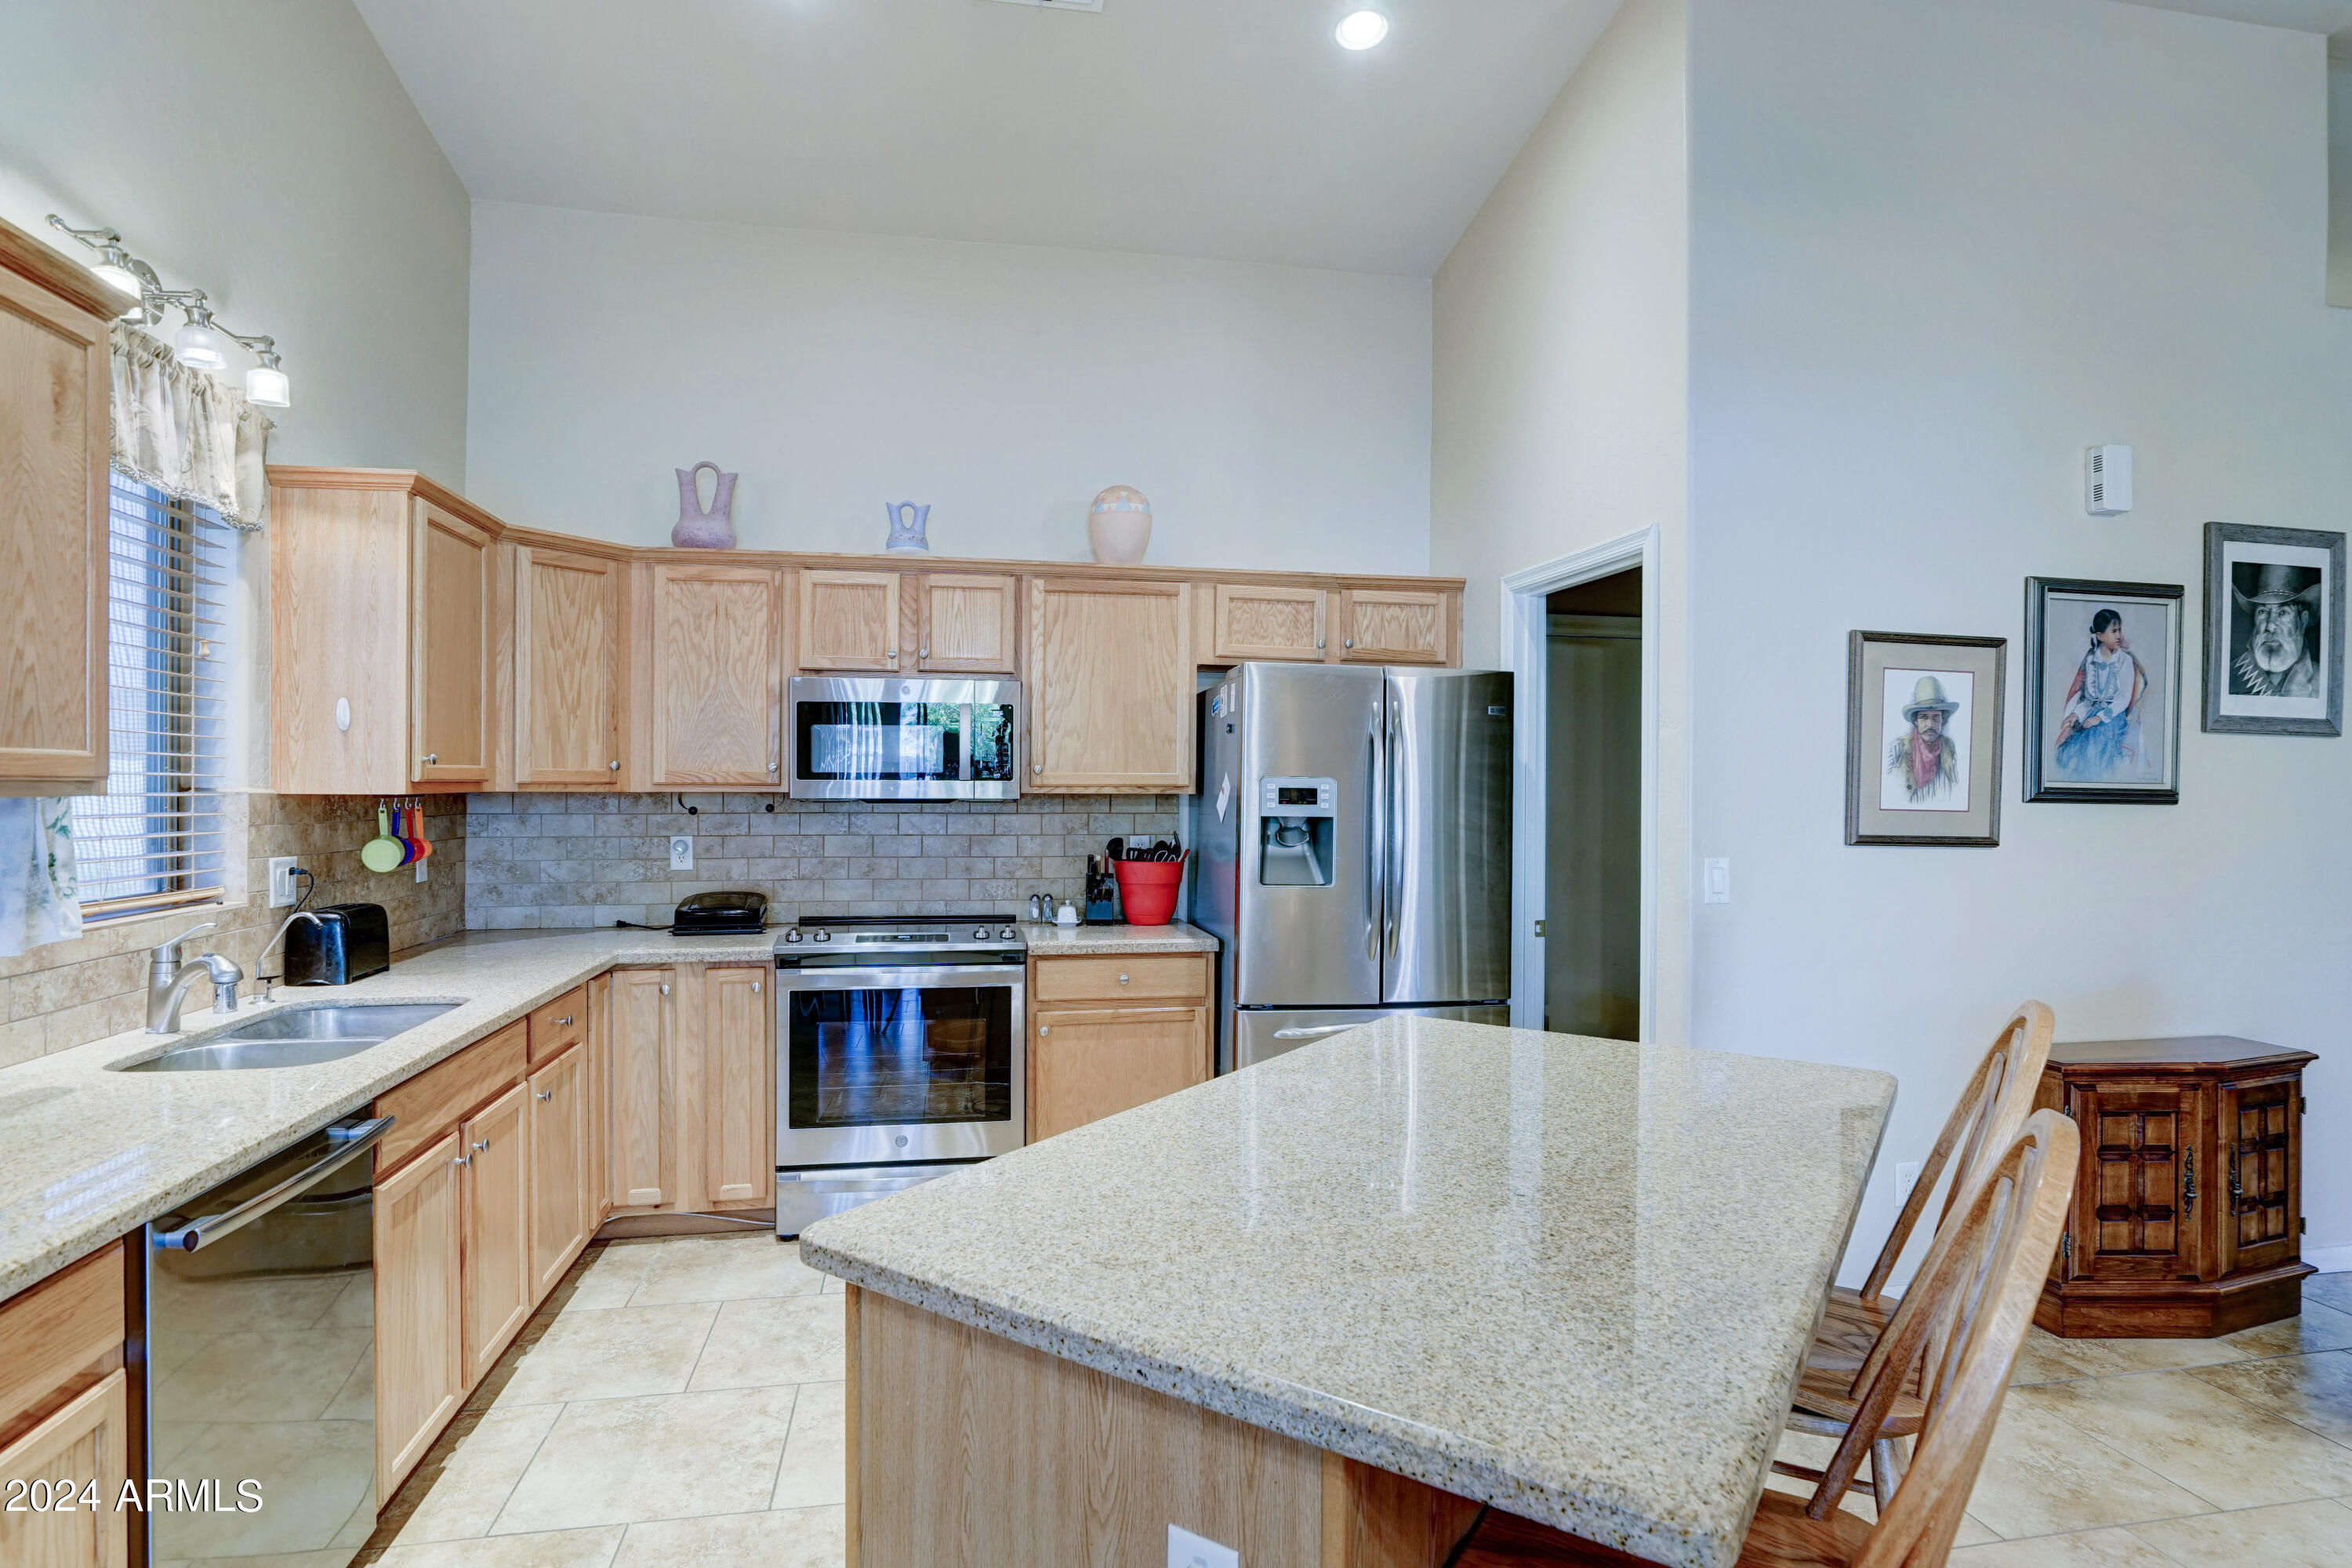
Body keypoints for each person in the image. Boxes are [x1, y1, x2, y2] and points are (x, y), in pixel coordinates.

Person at [2055, 608, 2147, 780]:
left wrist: (2100, 718)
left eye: (2120, 630)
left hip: (2113, 716)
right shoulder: (2091, 660)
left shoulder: (2125, 661)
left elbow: (2123, 700)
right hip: (2092, 711)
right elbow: (2089, 699)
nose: (2119, 635)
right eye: (2114, 631)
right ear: (2100, 636)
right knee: (2068, 750)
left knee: (2094, 742)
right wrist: (2077, 713)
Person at [2231, 562, 2321, 698]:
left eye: (2283, 612)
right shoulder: (2232, 675)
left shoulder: (2321, 682)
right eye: (2263, 612)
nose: (2270, 626)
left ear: (2302, 621)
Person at [1886, 674, 1961, 802]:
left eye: (1936, 718)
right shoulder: (1897, 749)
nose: (1930, 724)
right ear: (1915, 721)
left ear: (1943, 721)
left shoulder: (1949, 747)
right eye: (1924, 717)